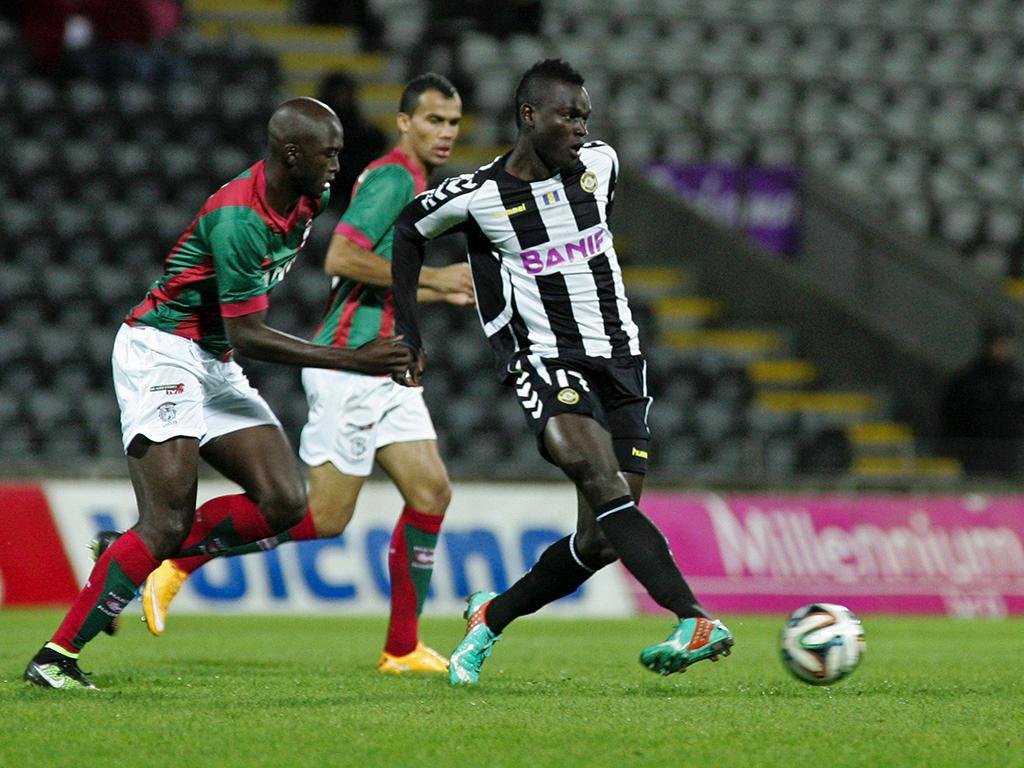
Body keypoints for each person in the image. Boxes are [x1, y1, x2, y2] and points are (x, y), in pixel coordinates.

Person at [23, 97, 412, 690]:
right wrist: (354, 359)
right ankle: (55, 659)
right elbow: (249, 333)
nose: (338, 162)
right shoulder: (239, 219)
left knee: (285, 501)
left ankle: (128, 551)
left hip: (211, 357)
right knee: (168, 519)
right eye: (328, 151)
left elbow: (235, 335)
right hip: (161, 349)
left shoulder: (312, 197)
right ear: (291, 153)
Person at [391, 59, 735, 686]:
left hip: (622, 362)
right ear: (529, 116)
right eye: (568, 115)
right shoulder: (479, 195)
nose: (580, 126)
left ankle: (489, 618)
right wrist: (409, 334)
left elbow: (595, 238)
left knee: (603, 537)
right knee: (603, 486)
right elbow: (408, 230)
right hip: (546, 361)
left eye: (585, 116)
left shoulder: (600, 165)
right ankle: (691, 616)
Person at [133, 74, 471, 674]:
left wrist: (416, 324)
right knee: (324, 517)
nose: (445, 132)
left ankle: (401, 647)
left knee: (431, 491)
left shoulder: (414, 180)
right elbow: (343, 256)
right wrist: (439, 280)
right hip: (353, 363)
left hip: (383, 362)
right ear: (403, 122)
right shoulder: (394, 177)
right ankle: (172, 556)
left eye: (452, 122)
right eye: (433, 120)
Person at [941, 320, 1024, 477]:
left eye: (1003, 343)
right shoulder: (968, 380)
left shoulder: (1018, 380)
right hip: (975, 458)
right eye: (995, 343)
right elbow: (951, 417)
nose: (999, 348)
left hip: (1013, 459)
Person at [316, 71, 388, 212]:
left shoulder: (360, 127)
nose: (342, 98)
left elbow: (379, 142)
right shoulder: (316, 126)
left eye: (345, 93)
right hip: (321, 198)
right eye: (338, 93)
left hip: (354, 196)